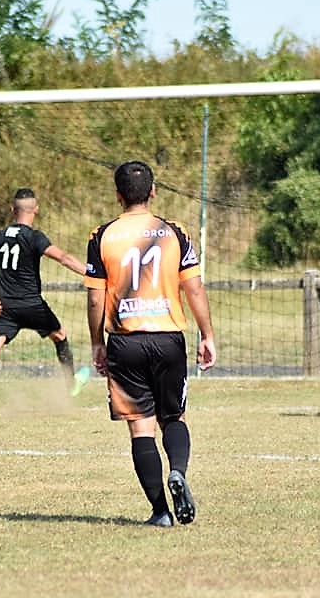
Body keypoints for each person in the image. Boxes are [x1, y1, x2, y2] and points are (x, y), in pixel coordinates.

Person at [85, 161, 216, 528]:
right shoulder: (174, 232)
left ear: (118, 195)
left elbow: (96, 299)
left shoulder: (101, 235)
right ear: (153, 191)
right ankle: (178, 471)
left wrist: (98, 343)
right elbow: (193, 287)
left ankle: (160, 513)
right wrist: (207, 335)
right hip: (168, 338)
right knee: (174, 417)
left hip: (125, 342)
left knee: (141, 427)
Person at [0, 188, 91, 410]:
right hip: (32, 305)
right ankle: (71, 384)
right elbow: (63, 257)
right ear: (36, 210)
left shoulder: (0, 236)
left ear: (13, 210)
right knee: (60, 335)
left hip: (6, 307)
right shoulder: (35, 237)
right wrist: (91, 274)